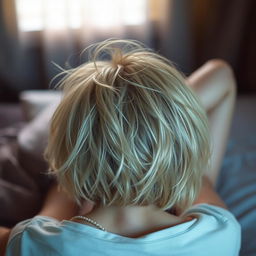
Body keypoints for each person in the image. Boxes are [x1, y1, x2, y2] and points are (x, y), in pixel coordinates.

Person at [1, 39, 241, 255]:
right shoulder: (220, 234)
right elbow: (221, 74)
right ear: (184, 156)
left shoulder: (34, 243)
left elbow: (53, 209)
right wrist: (164, 126)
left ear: (67, 159)